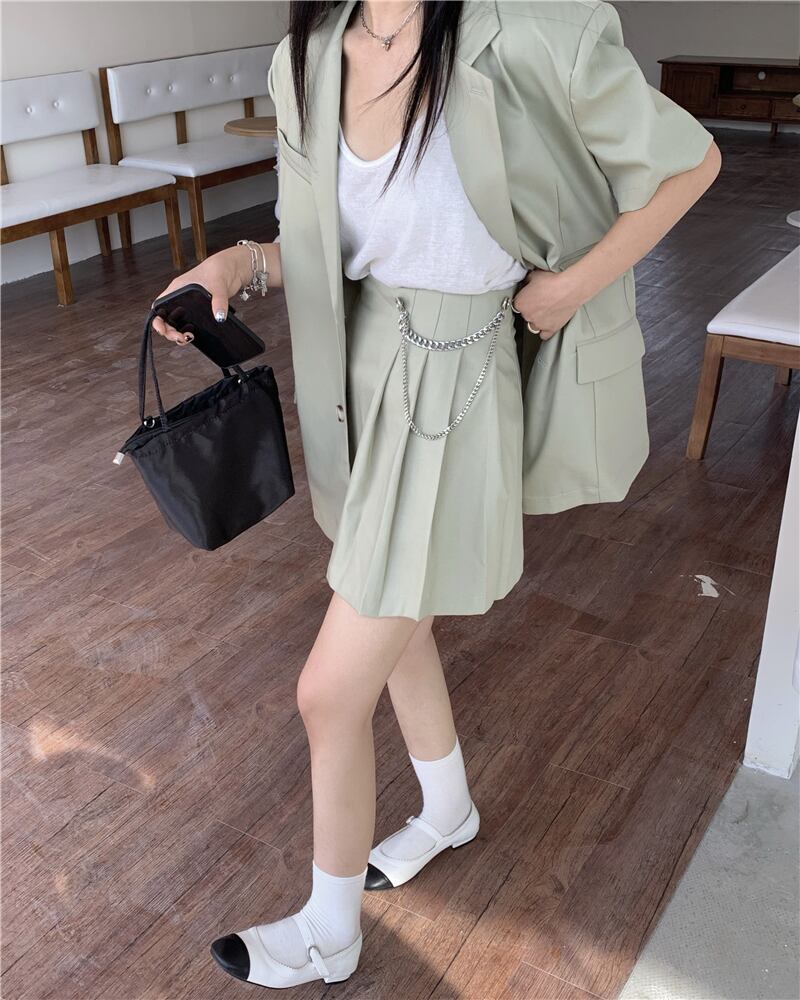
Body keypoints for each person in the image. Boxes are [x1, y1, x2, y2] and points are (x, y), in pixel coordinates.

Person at [151, 0, 721, 989]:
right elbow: (321, 242)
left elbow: (690, 163)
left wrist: (570, 286)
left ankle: (329, 930)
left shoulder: (532, 32)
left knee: (329, 690)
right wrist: (234, 264)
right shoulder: (307, 57)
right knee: (400, 624)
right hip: (358, 375)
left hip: (454, 378)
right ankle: (448, 807)